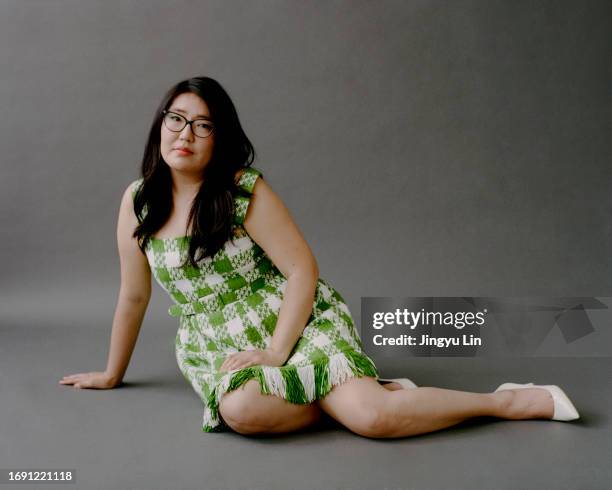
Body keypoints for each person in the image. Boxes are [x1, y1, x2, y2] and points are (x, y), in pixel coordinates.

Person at [59, 76, 579, 437]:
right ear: (160, 124)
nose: (186, 134)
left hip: (295, 321)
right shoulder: (138, 202)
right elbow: (134, 294)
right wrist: (111, 373)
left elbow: (302, 268)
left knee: (374, 421)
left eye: (203, 125)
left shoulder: (242, 190)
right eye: (176, 119)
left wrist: (277, 353)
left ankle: (505, 401)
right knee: (240, 412)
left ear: (219, 139)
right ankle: (361, 396)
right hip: (216, 341)